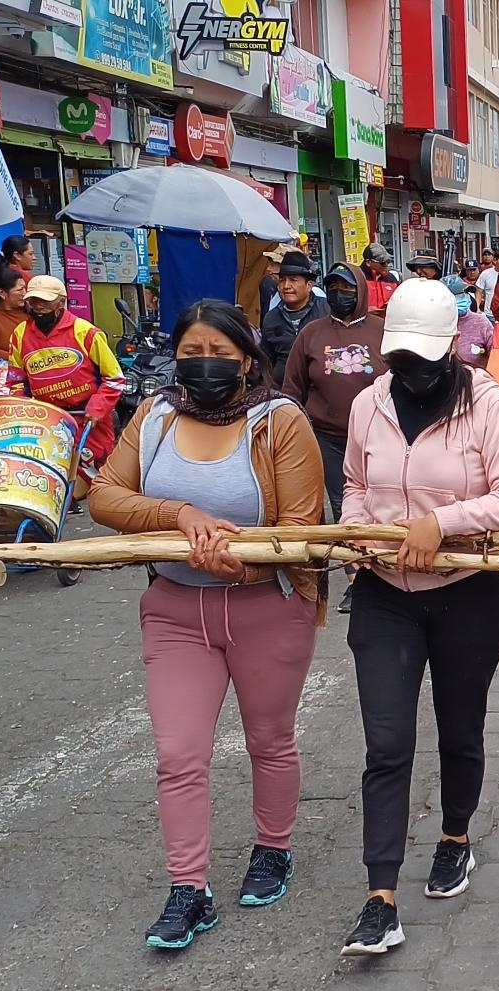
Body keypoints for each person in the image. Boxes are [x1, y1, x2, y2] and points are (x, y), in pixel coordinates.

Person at [89, 299, 324, 951]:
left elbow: (302, 533)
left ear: (248, 360)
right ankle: (188, 889)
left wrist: (242, 566)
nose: (205, 365)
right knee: (177, 755)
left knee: (269, 739)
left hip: (267, 607)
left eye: (219, 354)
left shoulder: (281, 422)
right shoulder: (156, 414)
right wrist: (178, 513)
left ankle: (272, 848)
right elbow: (105, 494)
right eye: (191, 353)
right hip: (174, 609)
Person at [336, 278, 499, 956]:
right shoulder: (367, 404)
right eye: (401, 359)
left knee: (460, 729)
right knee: (387, 744)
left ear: (454, 346)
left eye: (426, 357)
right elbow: (357, 484)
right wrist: (357, 532)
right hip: (384, 594)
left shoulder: (488, 405)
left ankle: (454, 836)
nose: (412, 372)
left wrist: (440, 522)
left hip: (467, 594)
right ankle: (380, 896)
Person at [282, 263, 387, 528]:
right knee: (343, 504)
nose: (339, 293)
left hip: (377, 435)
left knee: (379, 500)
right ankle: (353, 565)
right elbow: (293, 387)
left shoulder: (382, 331)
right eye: (333, 288)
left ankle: (379, 557)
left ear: (360, 291)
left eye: (347, 288)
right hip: (327, 438)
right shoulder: (311, 333)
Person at [7, 275, 124, 486]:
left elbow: (114, 379)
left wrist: (97, 408)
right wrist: (21, 409)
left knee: (101, 483)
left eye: (45, 301)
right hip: (48, 421)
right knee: (53, 484)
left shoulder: (86, 332)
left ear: (61, 302)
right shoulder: (19, 335)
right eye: (33, 301)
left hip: (89, 420)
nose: (38, 306)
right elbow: (16, 382)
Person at [259, 250, 321, 385]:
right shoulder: (271, 318)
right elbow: (266, 360)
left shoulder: (326, 311)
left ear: (309, 285)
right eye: (282, 280)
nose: (286, 286)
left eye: (293, 280)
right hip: (284, 393)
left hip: (320, 393)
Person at [444, 276, 495, 365]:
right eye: (457, 296)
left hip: (475, 375)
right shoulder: (435, 323)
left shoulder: (481, 322)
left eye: (464, 294)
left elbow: (495, 352)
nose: (461, 298)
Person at [362, 244, 401, 314]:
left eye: (388, 262)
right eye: (382, 263)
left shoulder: (392, 279)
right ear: (368, 262)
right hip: (365, 322)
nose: (386, 265)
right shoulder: (357, 278)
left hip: (388, 322)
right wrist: (365, 311)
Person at [477, 251, 499, 320]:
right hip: (490, 315)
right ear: (495, 260)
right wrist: (477, 308)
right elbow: (479, 292)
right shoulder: (485, 273)